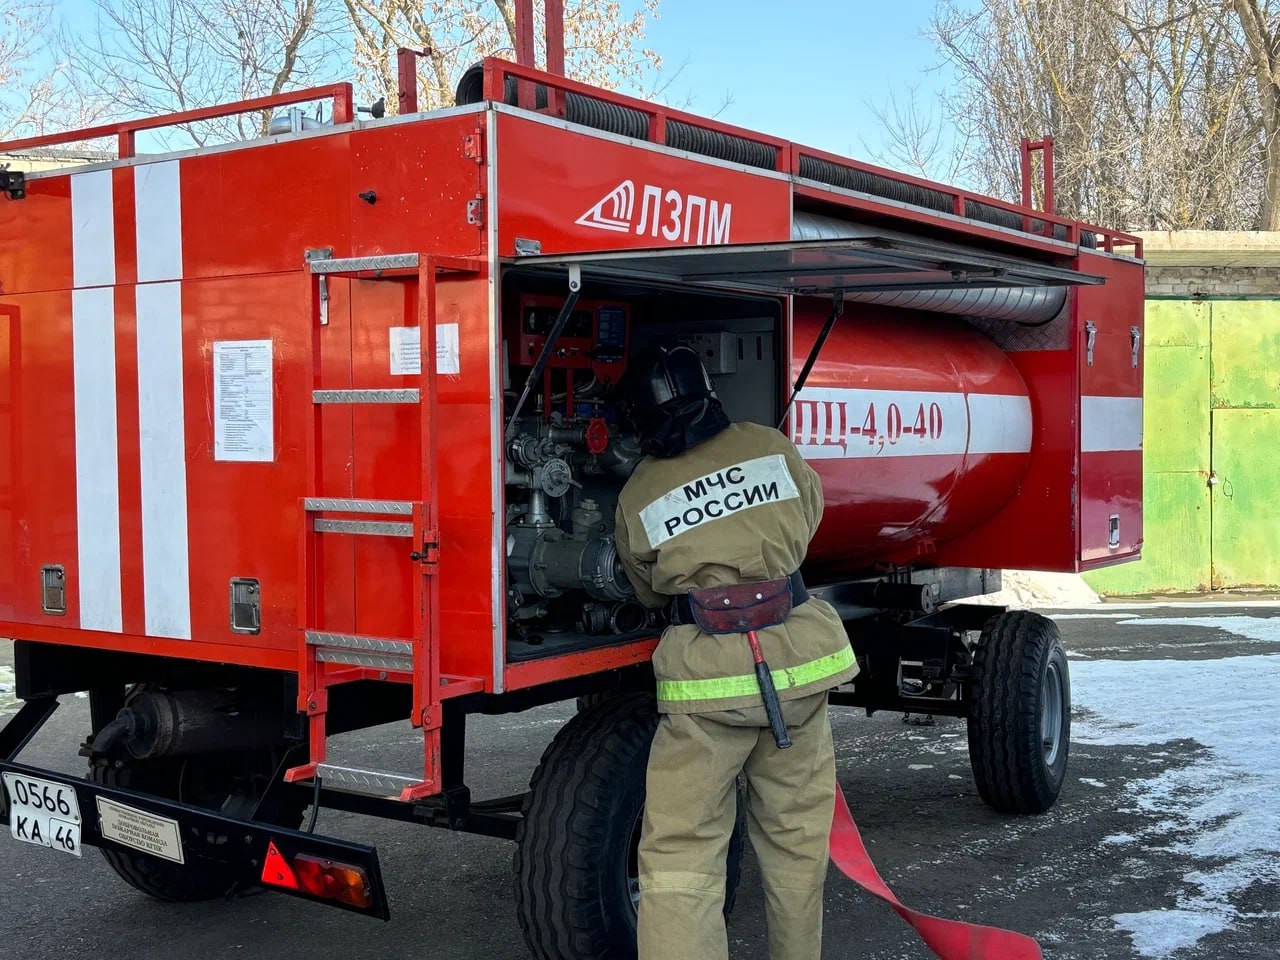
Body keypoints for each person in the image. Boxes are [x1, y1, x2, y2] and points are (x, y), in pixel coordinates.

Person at [613, 344, 858, 960]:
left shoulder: (640, 490)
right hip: (796, 671)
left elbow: (646, 587)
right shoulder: (769, 447)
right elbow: (809, 515)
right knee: (797, 846)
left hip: (708, 686)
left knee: (681, 853)